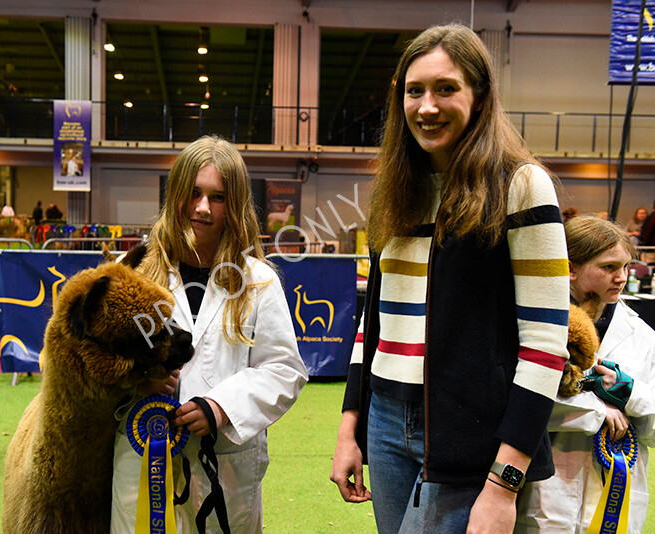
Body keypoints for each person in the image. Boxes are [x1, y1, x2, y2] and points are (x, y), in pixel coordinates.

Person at [329, 24, 570, 533]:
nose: (427, 107)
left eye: (445, 89)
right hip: (386, 423)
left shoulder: (522, 185)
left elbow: (547, 345)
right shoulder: (395, 190)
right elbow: (372, 323)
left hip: (472, 433)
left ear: (479, 98)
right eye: (414, 91)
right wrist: (350, 426)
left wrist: (505, 482)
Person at [110, 135, 308, 533]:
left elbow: (285, 370)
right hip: (141, 461)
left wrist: (220, 406)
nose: (202, 208)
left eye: (217, 197)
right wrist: (137, 377)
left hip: (226, 466)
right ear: (176, 194)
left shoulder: (258, 281)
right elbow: (94, 363)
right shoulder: (129, 272)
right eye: (194, 193)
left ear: (233, 204)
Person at [515, 215, 655, 533]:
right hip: (546, 498)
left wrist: (631, 394)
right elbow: (519, 404)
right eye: (608, 267)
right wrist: (596, 411)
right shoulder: (533, 328)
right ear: (571, 268)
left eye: (626, 266)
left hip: (617, 500)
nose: (621, 277)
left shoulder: (642, 335)